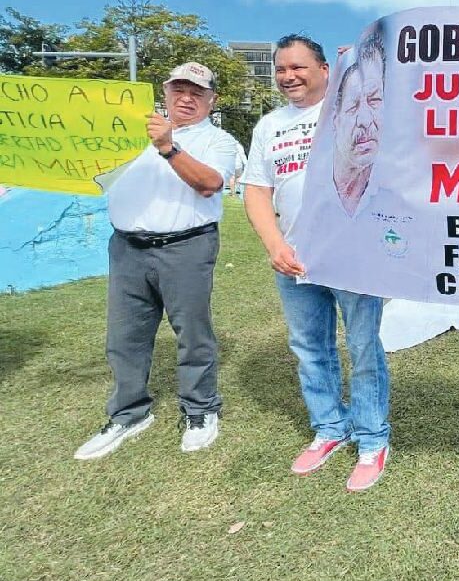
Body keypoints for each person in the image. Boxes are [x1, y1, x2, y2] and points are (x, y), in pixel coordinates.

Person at [242, 34, 391, 492]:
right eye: (281, 69)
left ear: (325, 70)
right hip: (294, 260)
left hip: (353, 259)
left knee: (363, 348)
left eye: (299, 67)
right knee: (310, 350)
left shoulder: (355, 112)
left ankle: (371, 439)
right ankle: (329, 428)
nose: (288, 76)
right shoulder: (268, 126)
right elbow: (257, 189)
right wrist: (274, 245)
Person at [74, 62, 241, 460]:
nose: (186, 98)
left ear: (210, 100)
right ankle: (128, 413)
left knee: (192, 332)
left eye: (197, 92)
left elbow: (209, 184)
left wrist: (168, 147)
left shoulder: (219, 140)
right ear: (163, 94)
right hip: (128, 246)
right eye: (178, 90)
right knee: (125, 335)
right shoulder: (126, 135)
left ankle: (200, 410)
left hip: (186, 246)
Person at [332, 25, 384, 216]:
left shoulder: (392, 187)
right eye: (353, 106)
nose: (365, 120)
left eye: (375, 100)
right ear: (335, 119)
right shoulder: (317, 186)